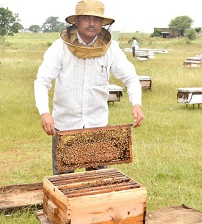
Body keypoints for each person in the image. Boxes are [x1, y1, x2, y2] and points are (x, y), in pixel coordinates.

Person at [34, 0, 144, 175]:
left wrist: (136, 103)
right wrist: (44, 112)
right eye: (86, 18)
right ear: (76, 21)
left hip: (97, 125)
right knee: (64, 183)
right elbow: (42, 81)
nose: (92, 23)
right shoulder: (60, 48)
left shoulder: (112, 49)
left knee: (98, 182)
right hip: (66, 125)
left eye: (97, 19)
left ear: (102, 23)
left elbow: (130, 77)